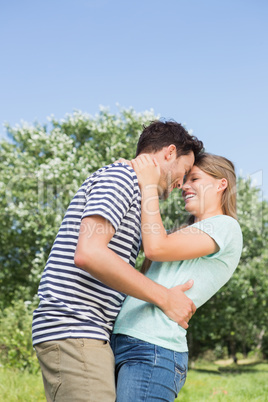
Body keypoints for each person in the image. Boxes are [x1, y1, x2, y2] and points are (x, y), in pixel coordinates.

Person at [32, 120, 203, 402]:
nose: (181, 183)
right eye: (184, 172)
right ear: (169, 153)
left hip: (87, 329)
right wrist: (165, 298)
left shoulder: (133, 188)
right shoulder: (121, 178)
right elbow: (90, 252)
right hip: (75, 325)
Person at [112, 152, 243, 402]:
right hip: (124, 342)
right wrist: (130, 171)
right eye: (184, 180)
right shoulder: (182, 234)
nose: (184, 186)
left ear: (221, 184)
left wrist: (149, 185)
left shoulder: (226, 228)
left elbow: (155, 248)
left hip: (152, 351)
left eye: (194, 178)